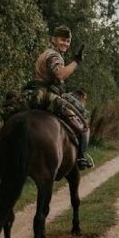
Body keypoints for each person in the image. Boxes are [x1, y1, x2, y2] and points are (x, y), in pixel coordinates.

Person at [27, 25, 94, 169]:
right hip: (44, 95)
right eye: (62, 40)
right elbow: (60, 74)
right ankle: (81, 158)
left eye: (68, 41)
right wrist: (76, 61)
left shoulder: (48, 53)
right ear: (53, 40)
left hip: (34, 92)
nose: (65, 43)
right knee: (82, 122)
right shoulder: (53, 55)